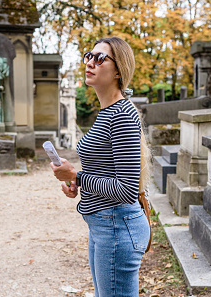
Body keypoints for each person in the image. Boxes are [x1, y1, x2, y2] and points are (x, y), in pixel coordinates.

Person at [50, 37, 151, 297]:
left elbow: (127, 189)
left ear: (118, 70)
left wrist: (78, 176)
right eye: (88, 55)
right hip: (103, 225)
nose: (90, 62)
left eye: (100, 58)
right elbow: (106, 172)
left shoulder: (122, 115)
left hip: (117, 226)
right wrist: (77, 184)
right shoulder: (107, 111)